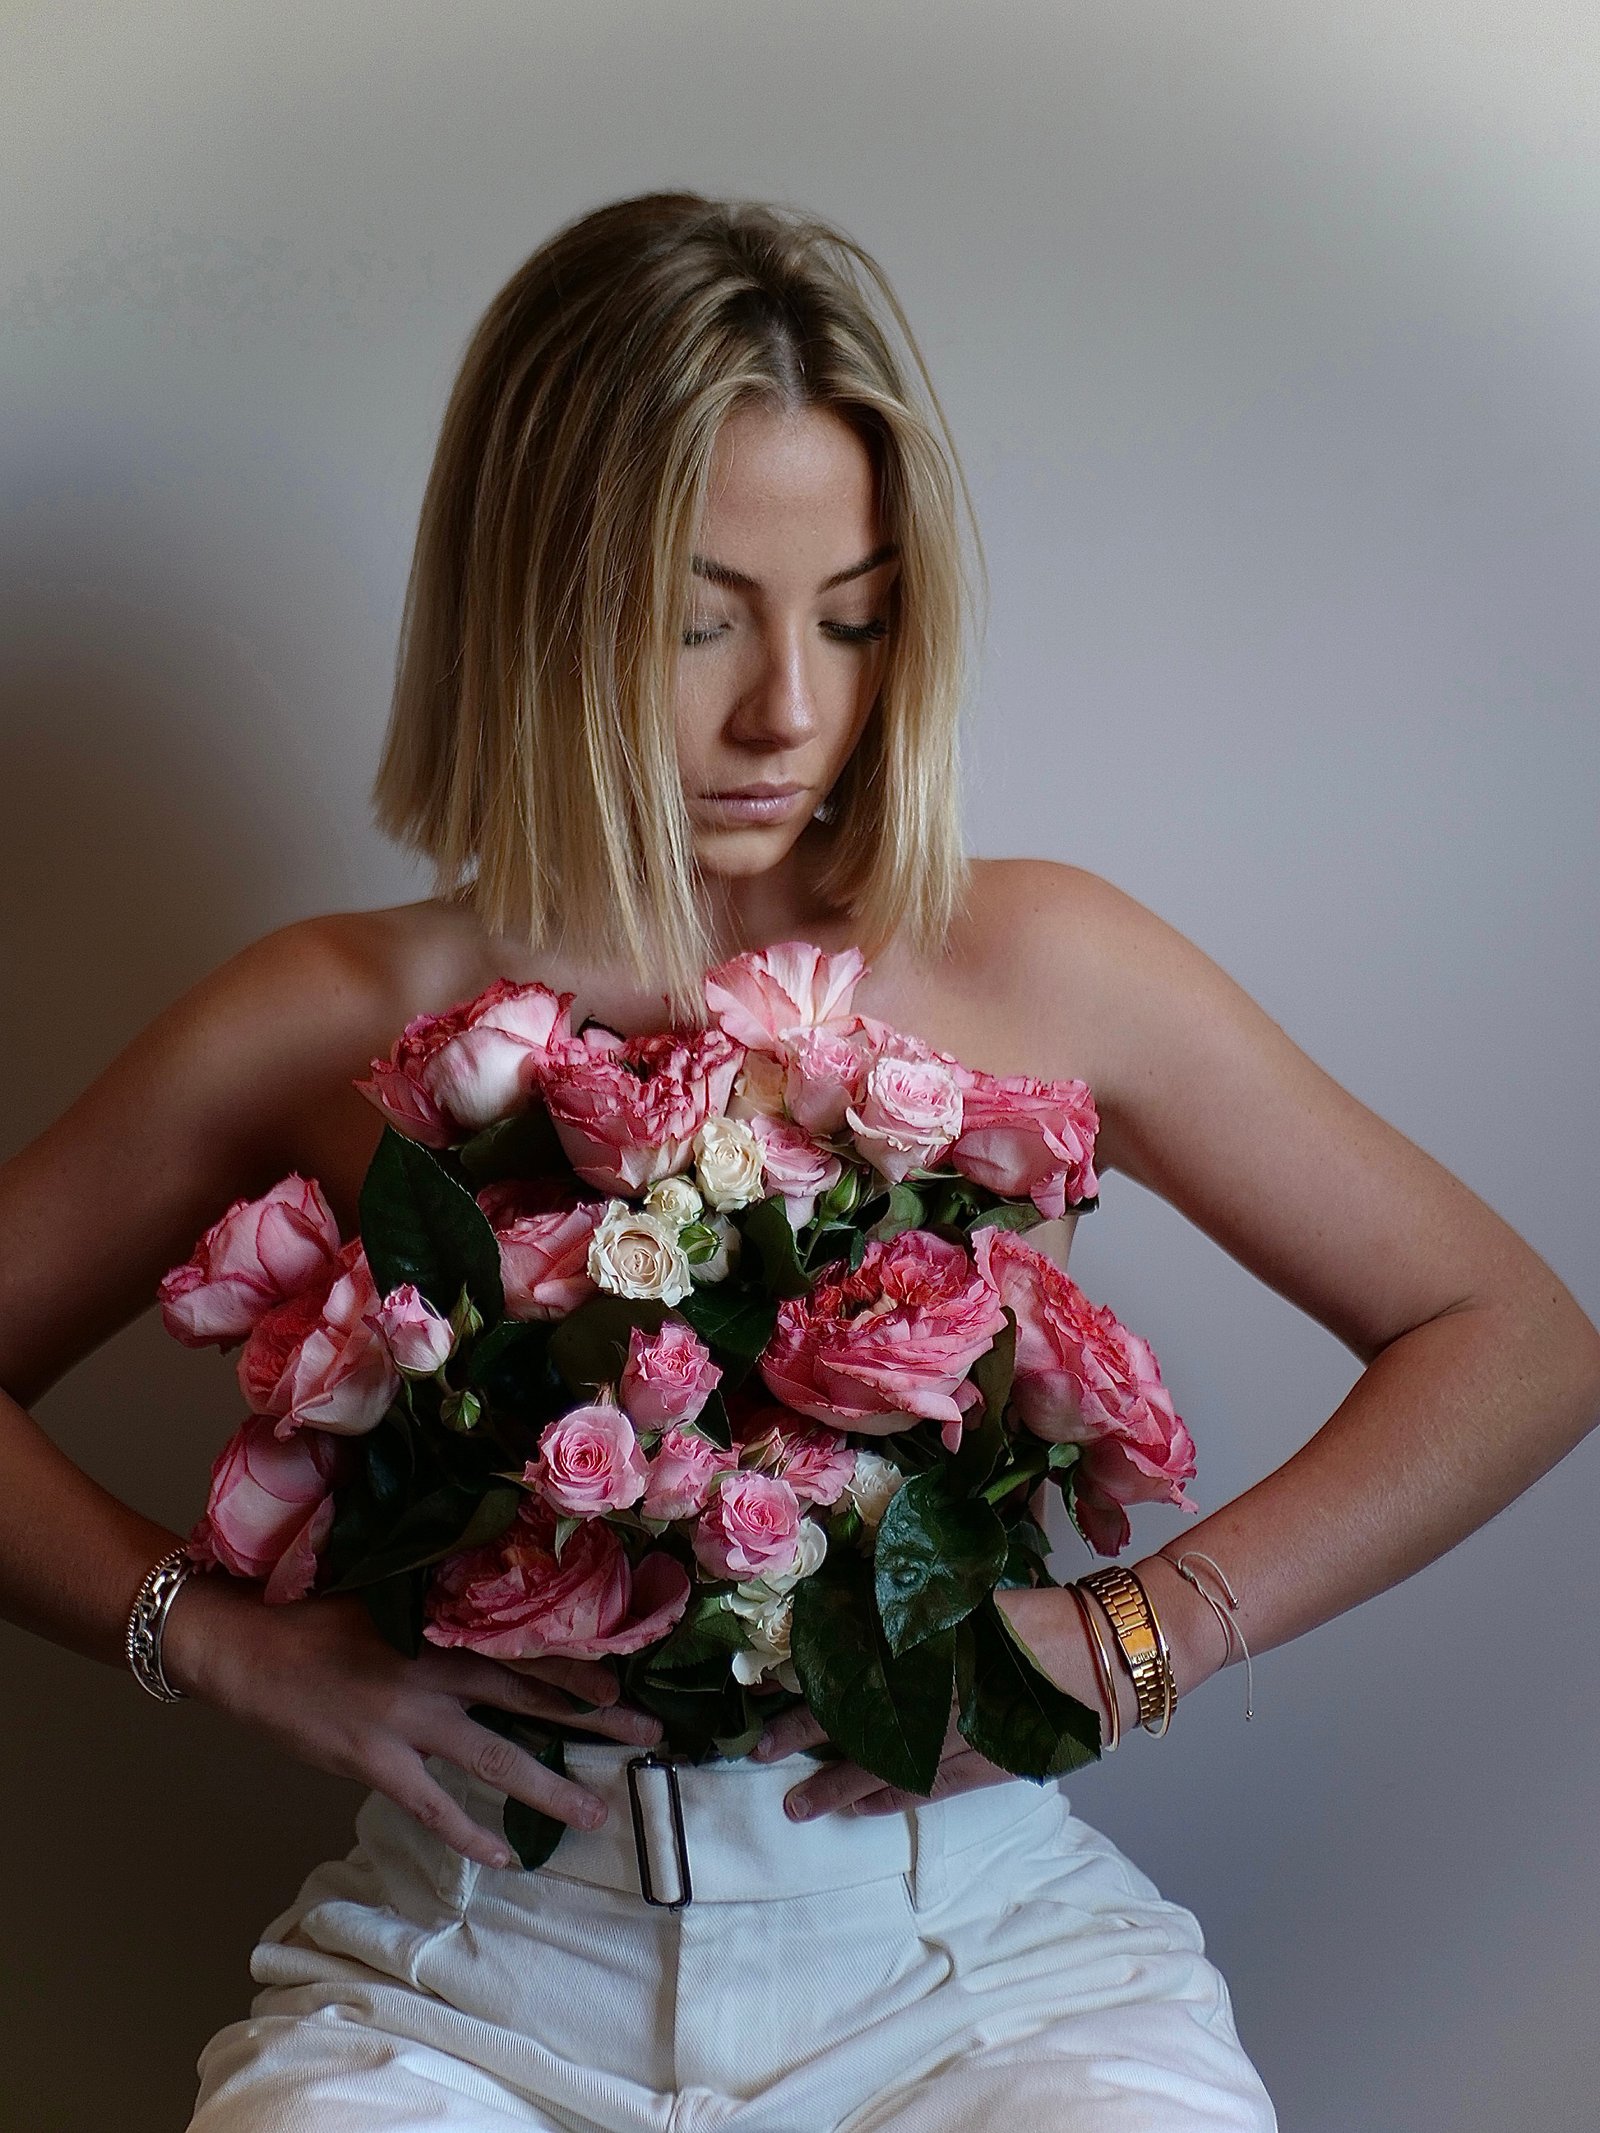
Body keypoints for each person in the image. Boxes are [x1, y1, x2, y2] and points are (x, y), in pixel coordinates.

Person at [4, 190, 1597, 2133]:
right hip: (480, 1966)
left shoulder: (1041, 955)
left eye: (848, 615)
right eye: (697, 618)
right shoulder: (322, 1007)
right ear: (535, 602)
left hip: (970, 1958)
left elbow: (1511, 1330)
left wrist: (1141, 1633)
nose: (787, 704)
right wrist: (222, 1644)